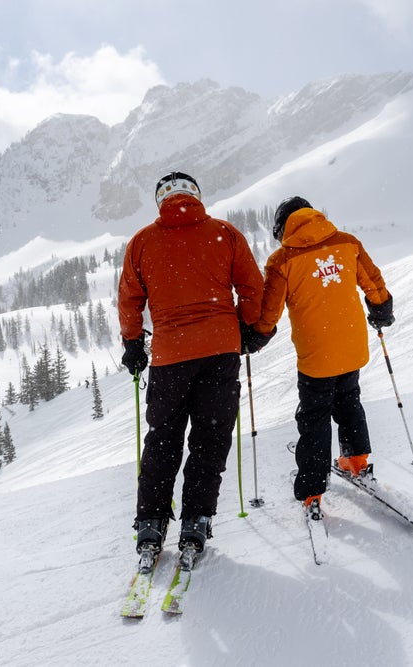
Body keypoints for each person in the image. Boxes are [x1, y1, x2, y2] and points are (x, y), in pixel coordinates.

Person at [118, 171, 265, 558]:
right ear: (196, 195)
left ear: (160, 200)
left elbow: (129, 299)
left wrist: (133, 343)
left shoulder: (142, 242)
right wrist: (247, 327)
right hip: (220, 352)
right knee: (209, 440)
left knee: (163, 439)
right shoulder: (224, 233)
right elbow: (252, 286)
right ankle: (196, 521)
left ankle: (150, 523)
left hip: (170, 358)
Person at [243, 196, 394, 518]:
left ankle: (312, 490)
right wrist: (382, 309)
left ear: (283, 227)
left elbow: (269, 314)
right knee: (349, 400)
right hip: (352, 346)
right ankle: (356, 462)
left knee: (314, 418)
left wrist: (254, 337)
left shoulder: (282, 261)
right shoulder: (347, 243)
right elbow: (373, 282)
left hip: (316, 355)